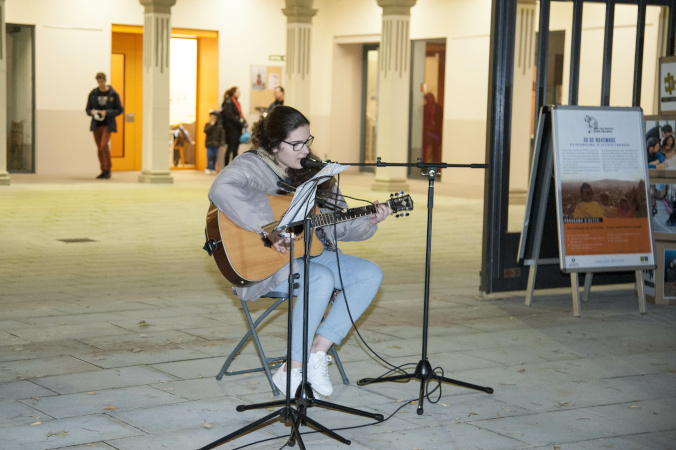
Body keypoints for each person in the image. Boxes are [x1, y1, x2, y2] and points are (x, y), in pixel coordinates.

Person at [208, 105, 391, 398]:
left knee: (369, 274)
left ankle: (317, 352)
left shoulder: (315, 170)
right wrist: (266, 228)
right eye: (296, 144)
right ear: (273, 144)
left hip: (308, 254)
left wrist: (367, 221)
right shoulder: (250, 166)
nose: (305, 150)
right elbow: (221, 189)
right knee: (319, 278)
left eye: (307, 141)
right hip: (265, 262)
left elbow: (333, 224)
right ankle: (292, 369)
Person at [85, 72, 123, 179]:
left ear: (105, 81)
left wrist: (107, 113)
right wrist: (92, 112)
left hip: (107, 124)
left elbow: (119, 109)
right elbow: (87, 109)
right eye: (98, 82)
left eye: (102, 81)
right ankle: (103, 170)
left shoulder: (113, 94)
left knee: (103, 145)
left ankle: (108, 168)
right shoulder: (93, 94)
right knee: (99, 148)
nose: (100, 84)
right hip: (96, 124)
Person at [220, 86, 247, 167]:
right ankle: (226, 167)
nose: (240, 93)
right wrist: (239, 122)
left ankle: (235, 167)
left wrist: (244, 122)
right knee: (230, 149)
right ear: (234, 92)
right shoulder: (229, 102)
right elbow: (229, 115)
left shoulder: (236, 102)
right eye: (238, 92)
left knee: (235, 149)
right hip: (231, 129)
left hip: (237, 129)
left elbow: (239, 114)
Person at [204, 110, 225, 174]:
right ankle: (208, 168)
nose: (213, 118)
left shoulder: (219, 126)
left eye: (214, 117)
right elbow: (205, 131)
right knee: (210, 156)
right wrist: (211, 125)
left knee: (214, 157)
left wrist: (222, 144)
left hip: (216, 144)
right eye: (211, 117)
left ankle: (213, 168)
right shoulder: (208, 124)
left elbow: (222, 135)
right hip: (209, 144)